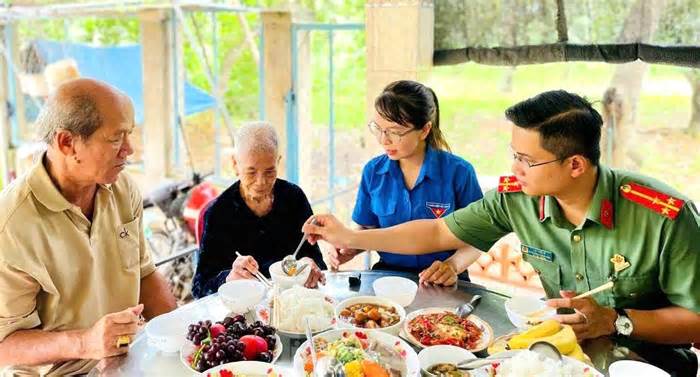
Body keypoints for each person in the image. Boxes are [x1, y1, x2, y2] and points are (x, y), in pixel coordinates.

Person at [303, 90, 700, 377]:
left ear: (575, 165)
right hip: (554, 354)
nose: (515, 169)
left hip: (645, 362)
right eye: (513, 154)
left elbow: (696, 320)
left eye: (526, 159)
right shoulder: (517, 198)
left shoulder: (664, 216)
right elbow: (437, 232)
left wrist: (616, 320)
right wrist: (351, 238)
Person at [0, 78, 177, 375]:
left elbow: (145, 276)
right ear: (67, 143)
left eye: (129, 135)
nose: (129, 150)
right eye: (116, 138)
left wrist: (186, 334)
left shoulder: (122, 189)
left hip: (129, 361)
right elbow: (5, 345)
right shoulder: (11, 225)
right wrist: (85, 343)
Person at [329, 80, 483, 286]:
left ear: (425, 130)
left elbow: (479, 237)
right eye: (378, 128)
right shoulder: (373, 172)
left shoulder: (459, 173)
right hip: (387, 278)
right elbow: (367, 229)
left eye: (395, 132)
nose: (384, 140)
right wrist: (349, 247)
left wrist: (453, 265)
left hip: (443, 281)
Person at [192, 122, 326, 298]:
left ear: (278, 162)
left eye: (270, 172)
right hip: (244, 308)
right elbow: (200, 288)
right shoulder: (218, 213)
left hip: (292, 302)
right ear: (234, 164)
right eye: (251, 172)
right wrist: (229, 278)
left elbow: (317, 262)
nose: (261, 182)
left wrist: (310, 264)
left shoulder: (294, 197)